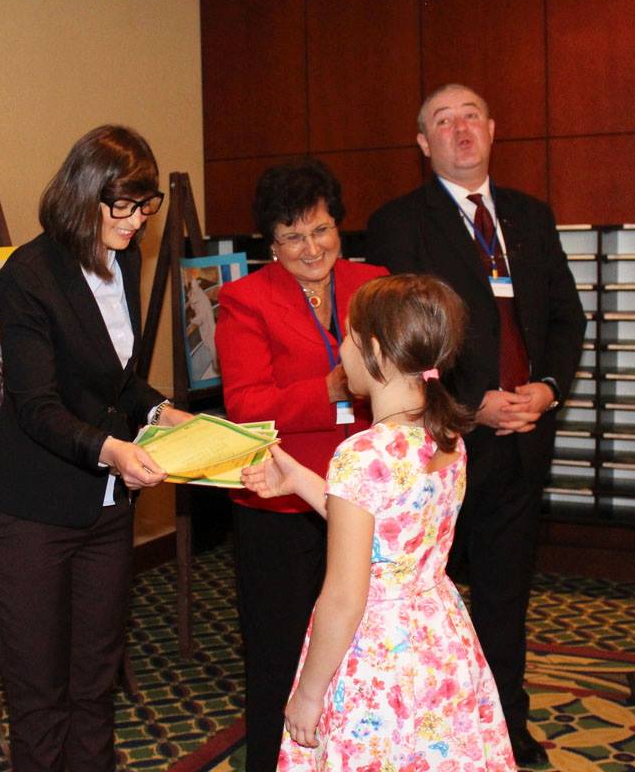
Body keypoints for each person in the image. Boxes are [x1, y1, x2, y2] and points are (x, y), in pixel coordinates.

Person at [366, 83, 585, 768]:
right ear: (422, 143)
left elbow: (565, 317)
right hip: (442, 441)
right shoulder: (398, 223)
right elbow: (398, 334)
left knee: (504, 597)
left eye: (470, 117)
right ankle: (424, 728)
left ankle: (505, 724)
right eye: (442, 121)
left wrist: (547, 390)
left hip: (522, 439)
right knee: (420, 597)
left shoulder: (530, 215)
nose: (460, 130)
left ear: (492, 129)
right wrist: (470, 401)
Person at [0, 124, 192, 772]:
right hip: (30, 516)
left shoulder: (125, 258)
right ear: (82, 193)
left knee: (95, 690)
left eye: (145, 205)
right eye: (122, 205)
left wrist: (160, 411)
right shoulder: (29, 275)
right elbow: (36, 406)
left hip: (105, 512)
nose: (136, 220)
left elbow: (114, 378)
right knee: (40, 702)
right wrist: (114, 450)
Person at [241, 274, 516, 770]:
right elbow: (386, 535)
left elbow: (345, 597)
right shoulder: (446, 436)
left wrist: (308, 694)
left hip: (378, 651)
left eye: (346, 337)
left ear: (373, 350)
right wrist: (301, 480)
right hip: (437, 638)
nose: (340, 348)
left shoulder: (363, 454)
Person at [214, 158, 386, 771]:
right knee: (279, 656)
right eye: (292, 236)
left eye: (321, 230)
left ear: (339, 226)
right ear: (270, 242)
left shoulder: (375, 284)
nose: (311, 248)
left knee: (360, 646)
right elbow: (247, 406)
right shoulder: (243, 300)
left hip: (362, 495)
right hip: (280, 501)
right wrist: (331, 389)